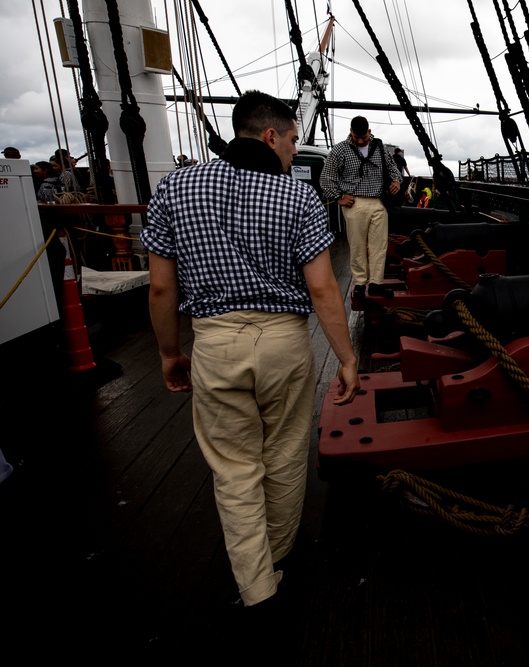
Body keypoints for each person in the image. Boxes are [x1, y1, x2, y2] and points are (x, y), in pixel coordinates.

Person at [141, 89, 360, 610]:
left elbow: (160, 289)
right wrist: (348, 360)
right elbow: (325, 290)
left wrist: (171, 353)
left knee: (235, 467)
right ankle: (279, 552)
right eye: (291, 140)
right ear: (270, 136)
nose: (291, 150)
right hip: (283, 341)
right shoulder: (298, 197)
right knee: (284, 452)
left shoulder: (175, 188)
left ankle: (255, 584)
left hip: (215, 342)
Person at [320, 116, 401, 300]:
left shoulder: (379, 147)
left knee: (378, 246)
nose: (360, 141)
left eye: (363, 137)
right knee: (357, 246)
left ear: (369, 132)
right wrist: (338, 197)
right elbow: (326, 178)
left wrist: (396, 180)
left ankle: (376, 283)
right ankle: (359, 283)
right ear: (351, 132)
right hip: (354, 202)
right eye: (356, 137)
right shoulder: (340, 150)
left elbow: (392, 168)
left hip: (378, 202)